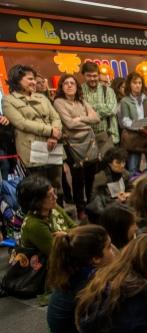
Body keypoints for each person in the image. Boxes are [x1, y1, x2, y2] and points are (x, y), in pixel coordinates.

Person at [3, 65, 64, 203]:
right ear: (17, 80)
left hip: (53, 145)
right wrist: (49, 131)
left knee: (57, 186)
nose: (34, 82)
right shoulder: (9, 100)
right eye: (30, 79)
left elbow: (56, 117)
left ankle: (60, 218)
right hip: (32, 149)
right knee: (40, 189)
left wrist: (54, 135)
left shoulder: (42, 98)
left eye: (34, 79)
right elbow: (21, 123)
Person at [47, 225, 115, 333]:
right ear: (96, 258)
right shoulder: (91, 287)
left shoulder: (74, 271)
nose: (113, 252)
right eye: (109, 247)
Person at [53, 74, 100, 219]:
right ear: (61, 87)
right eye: (65, 83)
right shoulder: (59, 102)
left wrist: (80, 118)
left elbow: (96, 118)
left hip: (89, 144)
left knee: (91, 177)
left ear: (76, 86)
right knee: (78, 180)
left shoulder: (82, 101)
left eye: (72, 83)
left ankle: (92, 206)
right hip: (72, 145)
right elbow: (69, 124)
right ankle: (81, 209)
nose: (69, 85)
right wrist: (87, 123)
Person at [17, 175, 76, 257]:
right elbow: (57, 255)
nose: (56, 197)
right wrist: (69, 235)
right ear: (37, 202)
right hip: (52, 265)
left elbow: (76, 227)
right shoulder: (35, 225)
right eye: (50, 196)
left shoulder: (52, 207)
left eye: (54, 192)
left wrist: (66, 234)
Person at [120, 72, 147, 176]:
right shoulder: (125, 100)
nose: (138, 85)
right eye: (135, 83)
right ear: (129, 84)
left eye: (140, 82)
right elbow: (125, 120)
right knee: (133, 169)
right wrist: (139, 126)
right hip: (134, 138)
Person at [81, 62, 119, 152]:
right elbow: (79, 112)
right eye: (89, 76)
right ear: (83, 75)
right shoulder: (79, 91)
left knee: (109, 164)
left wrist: (90, 109)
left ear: (98, 75)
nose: (92, 79)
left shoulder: (108, 91)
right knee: (92, 165)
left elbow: (112, 109)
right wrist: (102, 107)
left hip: (108, 136)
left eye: (95, 76)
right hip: (87, 138)